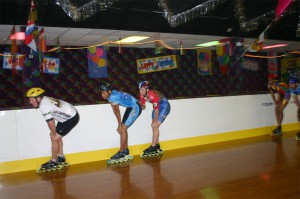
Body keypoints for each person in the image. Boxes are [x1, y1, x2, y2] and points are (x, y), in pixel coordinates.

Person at [26, 87, 80, 170]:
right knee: (55, 136)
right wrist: (54, 134)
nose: (30, 102)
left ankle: (53, 161)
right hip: (67, 116)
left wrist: (54, 134)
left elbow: (51, 123)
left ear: (38, 98)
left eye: (31, 99)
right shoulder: (44, 100)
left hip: (71, 118)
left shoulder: (44, 106)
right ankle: (61, 157)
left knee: (54, 138)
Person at [98, 81, 142, 161]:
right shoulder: (110, 96)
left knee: (122, 129)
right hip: (130, 107)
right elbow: (114, 110)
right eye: (101, 93)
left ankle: (121, 152)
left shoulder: (113, 96)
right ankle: (126, 150)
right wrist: (120, 124)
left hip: (135, 107)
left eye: (103, 93)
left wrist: (119, 124)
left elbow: (117, 111)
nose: (102, 95)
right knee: (122, 129)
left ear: (109, 91)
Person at [138, 80, 171, 155]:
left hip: (164, 107)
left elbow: (156, 111)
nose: (140, 91)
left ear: (147, 89)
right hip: (157, 108)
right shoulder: (142, 94)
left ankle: (153, 146)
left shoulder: (152, 95)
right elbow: (143, 107)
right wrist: (140, 105)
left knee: (154, 125)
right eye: (139, 89)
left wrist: (155, 121)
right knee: (154, 126)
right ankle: (157, 145)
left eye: (142, 89)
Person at [288, 76, 300, 141]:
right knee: (299, 114)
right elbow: (295, 99)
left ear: (297, 84)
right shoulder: (291, 89)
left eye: (292, 84)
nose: (290, 85)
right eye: (289, 83)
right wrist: (298, 107)